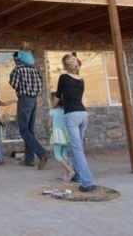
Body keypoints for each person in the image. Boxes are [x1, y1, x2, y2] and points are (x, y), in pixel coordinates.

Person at [56, 52, 96, 192]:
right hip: (83, 114)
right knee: (77, 147)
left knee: (77, 149)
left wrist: (52, 108)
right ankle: (78, 176)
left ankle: (87, 182)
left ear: (65, 66)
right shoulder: (81, 79)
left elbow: (58, 97)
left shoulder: (63, 77)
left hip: (72, 115)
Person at [8, 50, 48, 169]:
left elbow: (14, 84)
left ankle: (42, 153)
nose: (15, 61)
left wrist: (22, 87)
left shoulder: (18, 70)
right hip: (34, 100)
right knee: (30, 130)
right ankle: (29, 160)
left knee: (24, 130)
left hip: (24, 99)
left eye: (16, 59)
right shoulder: (35, 70)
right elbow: (40, 86)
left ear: (20, 59)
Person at [49, 92, 74, 182]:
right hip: (66, 134)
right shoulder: (65, 110)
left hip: (57, 135)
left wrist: (50, 129)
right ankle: (66, 175)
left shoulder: (52, 111)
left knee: (57, 155)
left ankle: (71, 171)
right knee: (64, 154)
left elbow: (49, 124)